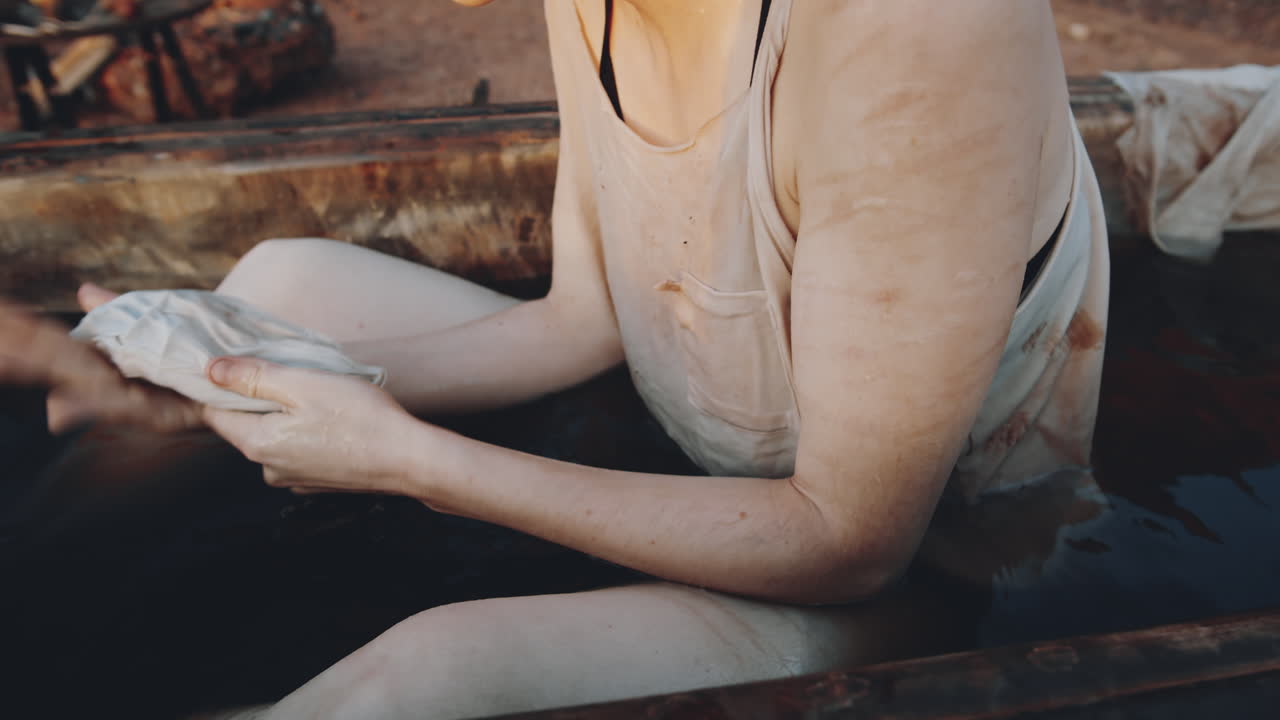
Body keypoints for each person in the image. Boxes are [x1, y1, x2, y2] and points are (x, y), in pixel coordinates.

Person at [0, 0, 1109, 717]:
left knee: (431, 677)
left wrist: (407, 462)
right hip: (696, 459)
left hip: (925, 585)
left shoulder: (916, 28)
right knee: (271, 290)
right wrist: (222, 386)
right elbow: (580, 319)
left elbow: (854, 543)